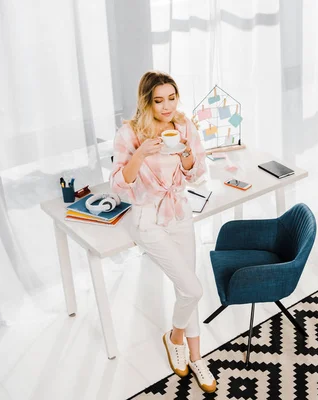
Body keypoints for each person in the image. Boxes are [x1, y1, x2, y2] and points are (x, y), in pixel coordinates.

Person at [110, 71, 216, 393]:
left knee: (188, 285)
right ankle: (174, 337)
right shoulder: (130, 133)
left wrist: (184, 152)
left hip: (180, 212)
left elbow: (197, 174)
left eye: (172, 98)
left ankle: (195, 355)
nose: (167, 106)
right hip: (146, 217)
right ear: (147, 101)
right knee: (193, 288)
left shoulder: (184, 126)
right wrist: (141, 152)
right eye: (159, 100)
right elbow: (119, 185)